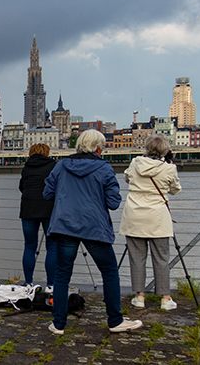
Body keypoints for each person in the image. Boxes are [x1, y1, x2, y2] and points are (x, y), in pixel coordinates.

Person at [43, 129, 142, 335]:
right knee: (109, 271)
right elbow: (114, 202)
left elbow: (47, 193)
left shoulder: (61, 166)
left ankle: (58, 324)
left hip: (65, 225)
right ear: (98, 148)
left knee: (62, 275)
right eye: (103, 147)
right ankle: (115, 320)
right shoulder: (104, 169)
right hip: (94, 227)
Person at [119, 134, 181, 311]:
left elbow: (127, 179)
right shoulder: (169, 168)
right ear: (165, 150)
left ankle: (139, 297)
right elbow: (176, 190)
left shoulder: (135, 163)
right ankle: (165, 298)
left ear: (147, 148)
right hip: (157, 218)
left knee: (137, 258)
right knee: (161, 258)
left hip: (134, 215)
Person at [18, 143, 56, 292]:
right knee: (52, 247)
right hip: (49, 209)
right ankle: (51, 285)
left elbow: (22, 187)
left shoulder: (26, 167)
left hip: (28, 209)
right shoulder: (54, 166)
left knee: (29, 246)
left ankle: (28, 283)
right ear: (47, 152)